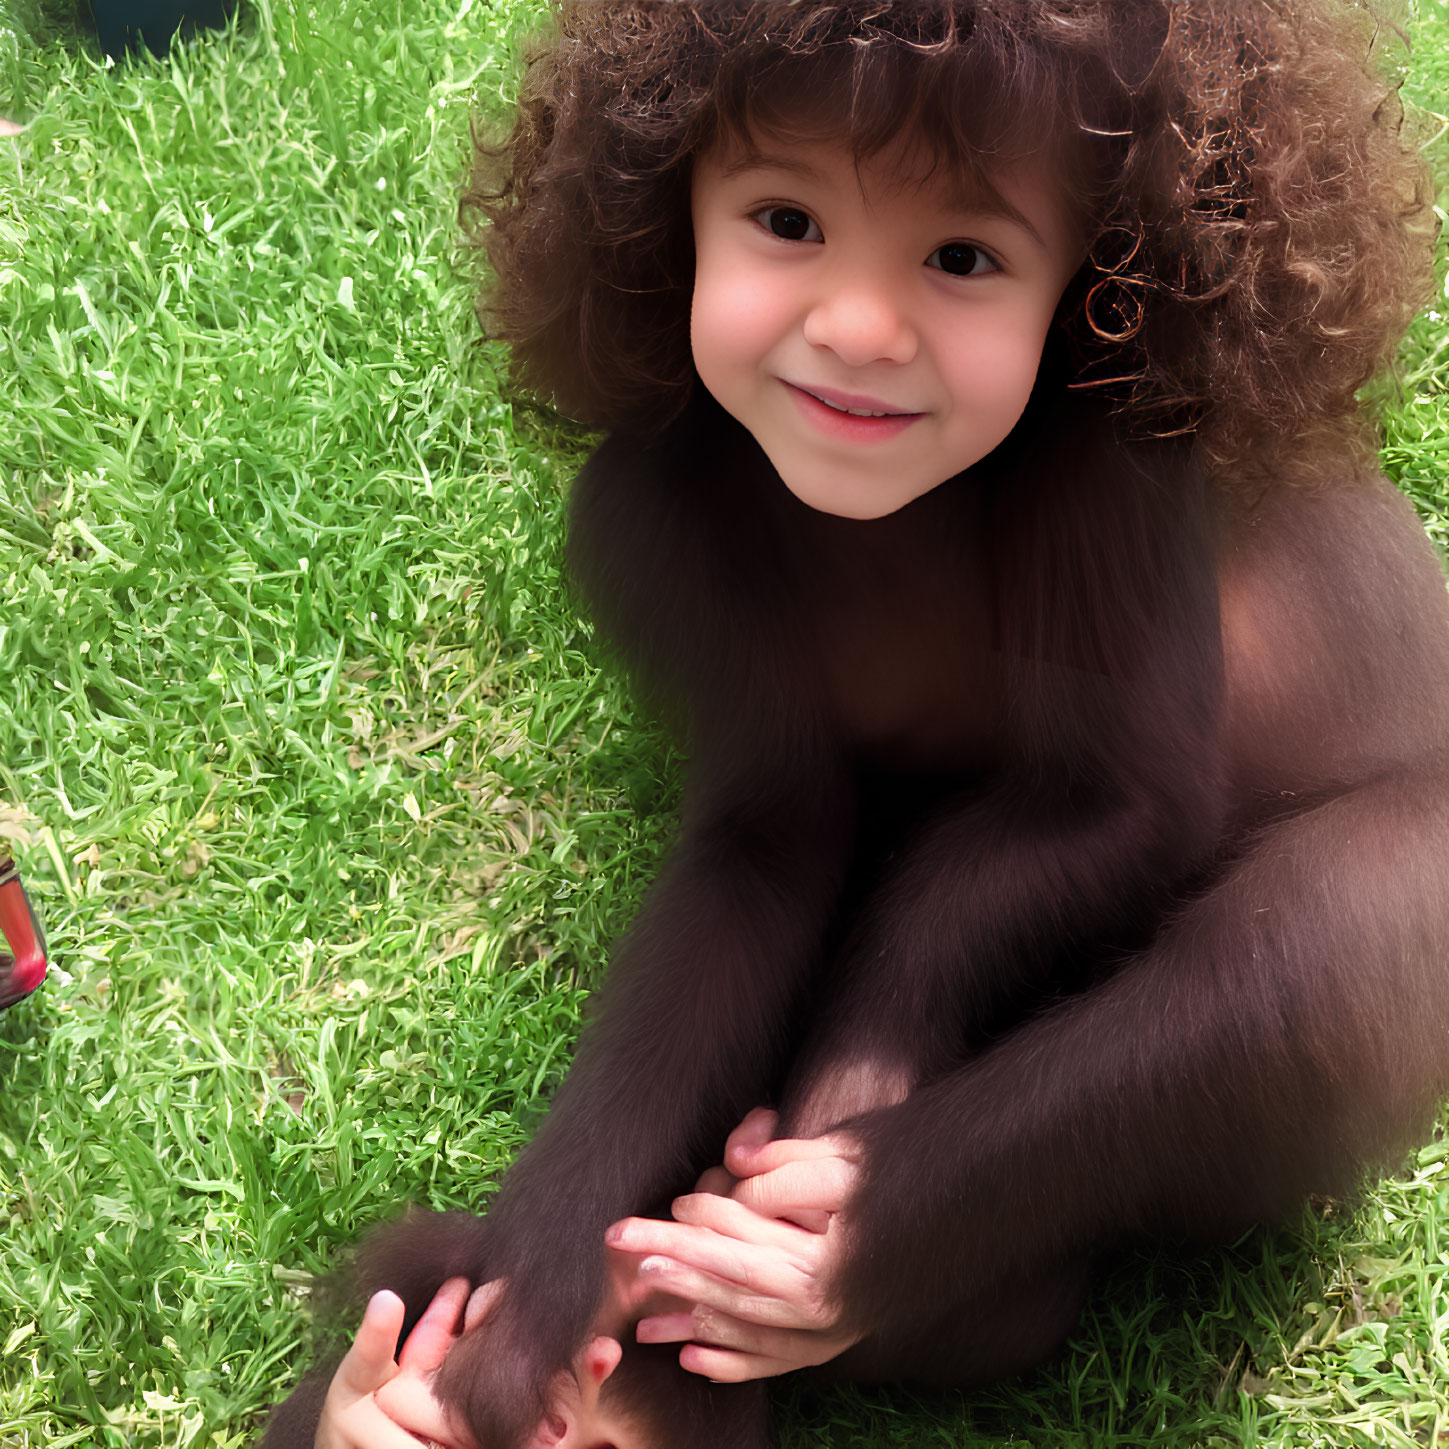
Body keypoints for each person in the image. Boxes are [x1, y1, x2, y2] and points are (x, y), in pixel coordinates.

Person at [277, 4, 1449, 1446]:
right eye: (784, 218)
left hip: (1274, 872)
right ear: (667, 206)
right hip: (977, 823)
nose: (856, 325)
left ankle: (891, 1231)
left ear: (1098, 279)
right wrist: (540, 1253)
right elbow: (761, 838)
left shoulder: (1112, 458)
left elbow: (1129, 800)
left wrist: (902, 1112)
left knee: (1367, 923)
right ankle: (475, 1384)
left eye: (960, 255)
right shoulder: (661, 506)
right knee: (880, 1287)